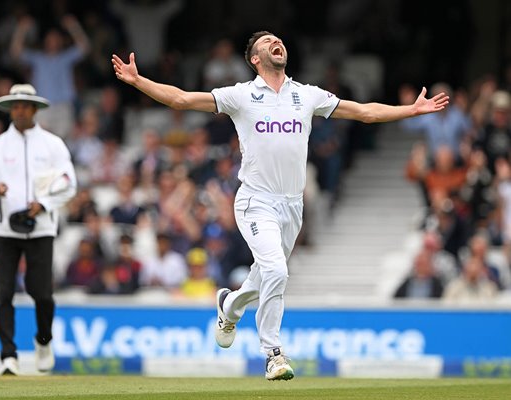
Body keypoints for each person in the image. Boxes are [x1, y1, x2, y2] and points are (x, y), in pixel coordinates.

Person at [112, 30, 449, 381]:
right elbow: (181, 99)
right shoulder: (241, 95)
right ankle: (273, 353)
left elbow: (364, 111)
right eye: (267, 42)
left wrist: (411, 110)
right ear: (255, 59)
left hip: (292, 206)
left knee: (263, 279)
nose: (277, 43)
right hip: (255, 201)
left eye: (279, 40)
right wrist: (138, 82)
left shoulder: (306, 95)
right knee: (276, 271)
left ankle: (230, 305)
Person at [0, 83, 77, 376]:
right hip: (5, 228)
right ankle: (8, 355)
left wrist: (43, 204)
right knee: (4, 292)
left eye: (24, 105)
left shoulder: (52, 144)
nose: (18, 110)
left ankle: (43, 340)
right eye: (15, 105)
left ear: (34, 109)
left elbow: (69, 182)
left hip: (41, 228)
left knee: (42, 293)